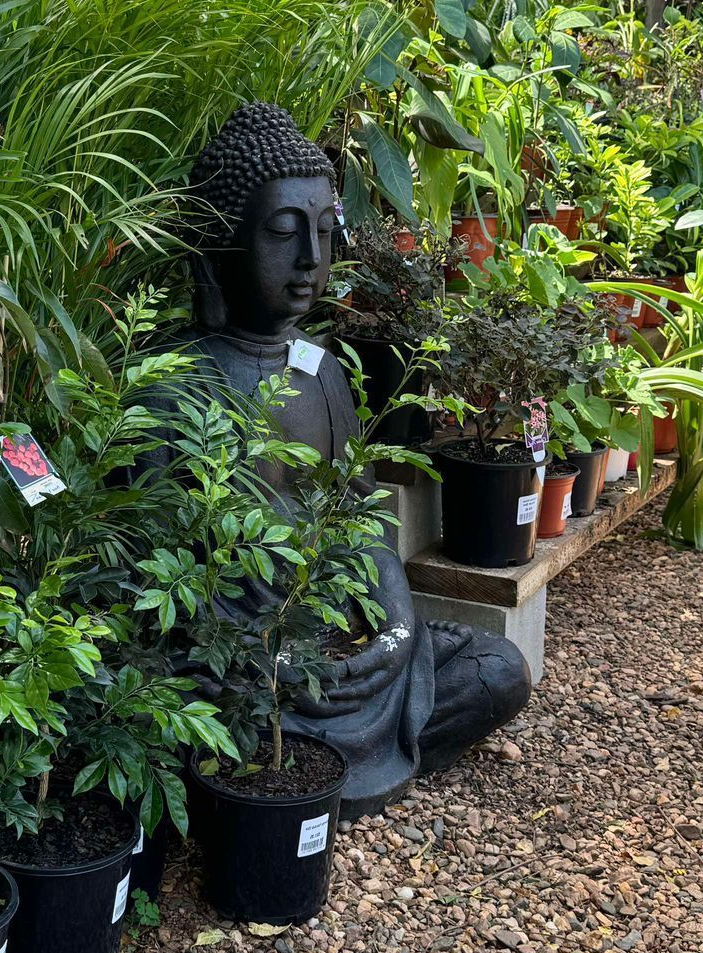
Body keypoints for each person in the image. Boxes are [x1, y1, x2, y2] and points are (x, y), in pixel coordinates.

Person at [174, 100, 530, 816]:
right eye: (283, 233)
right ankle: (299, 766)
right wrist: (267, 663)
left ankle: (316, 766)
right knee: (192, 714)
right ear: (222, 245)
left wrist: (395, 633)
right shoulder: (177, 384)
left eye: (323, 233)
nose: (311, 259)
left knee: (499, 668)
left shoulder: (323, 370)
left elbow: (364, 522)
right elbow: (167, 583)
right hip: (247, 666)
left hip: (339, 638)